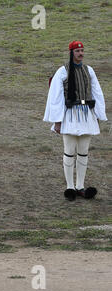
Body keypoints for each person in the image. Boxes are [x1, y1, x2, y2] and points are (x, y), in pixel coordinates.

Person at [44, 41, 107, 201]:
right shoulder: (62, 71)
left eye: (82, 50)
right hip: (70, 115)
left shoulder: (89, 70)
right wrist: (57, 121)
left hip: (87, 115)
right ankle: (69, 187)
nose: (81, 53)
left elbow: (96, 93)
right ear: (72, 52)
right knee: (69, 151)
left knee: (83, 152)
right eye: (78, 50)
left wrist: (98, 115)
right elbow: (56, 97)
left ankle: (80, 186)